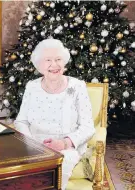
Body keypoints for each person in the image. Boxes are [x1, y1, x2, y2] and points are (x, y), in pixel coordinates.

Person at [14, 39, 95, 190]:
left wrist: (64, 143)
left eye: (58, 59)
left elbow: (88, 127)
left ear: (64, 62)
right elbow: (21, 121)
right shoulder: (32, 87)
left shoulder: (77, 87)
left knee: (54, 172)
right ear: (39, 65)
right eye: (48, 60)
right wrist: (31, 143)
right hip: (34, 146)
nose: (54, 65)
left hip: (65, 148)